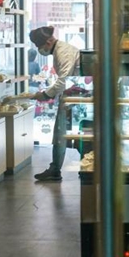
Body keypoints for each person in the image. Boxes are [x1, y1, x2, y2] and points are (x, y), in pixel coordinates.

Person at [29, 26, 81, 182]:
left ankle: (59, 169)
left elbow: (63, 80)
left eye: (41, 46)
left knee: (62, 132)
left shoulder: (63, 52)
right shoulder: (59, 50)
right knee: (63, 132)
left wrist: (45, 94)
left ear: (49, 41)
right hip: (73, 94)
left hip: (77, 95)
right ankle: (57, 168)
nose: (40, 50)